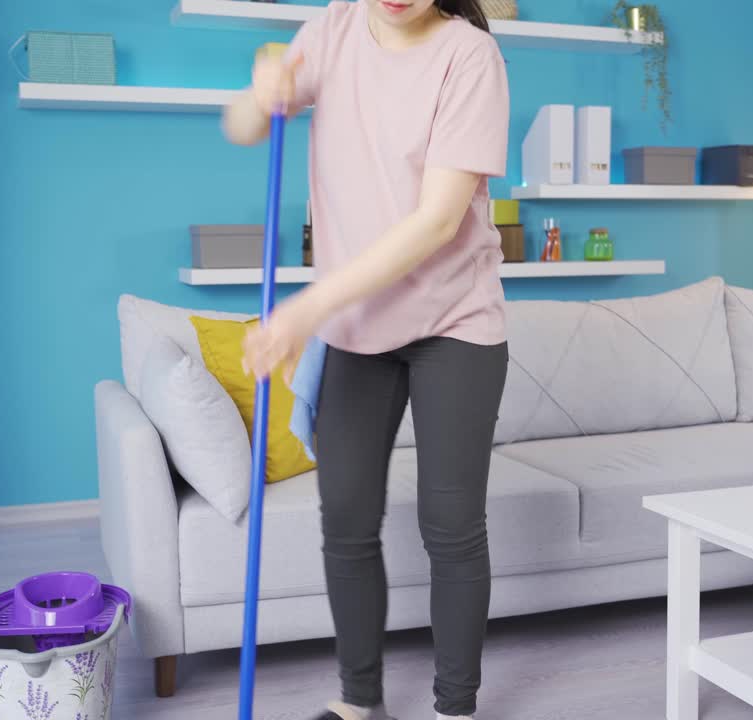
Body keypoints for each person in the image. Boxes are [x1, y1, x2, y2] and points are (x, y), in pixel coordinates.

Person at [222, 0, 510, 718]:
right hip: (356, 325)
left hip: (456, 322)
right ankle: (359, 703)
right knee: (345, 522)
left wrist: (307, 309)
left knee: (451, 528)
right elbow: (244, 127)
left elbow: (439, 220)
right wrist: (262, 97)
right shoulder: (334, 30)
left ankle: (453, 707)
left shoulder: (469, 56)